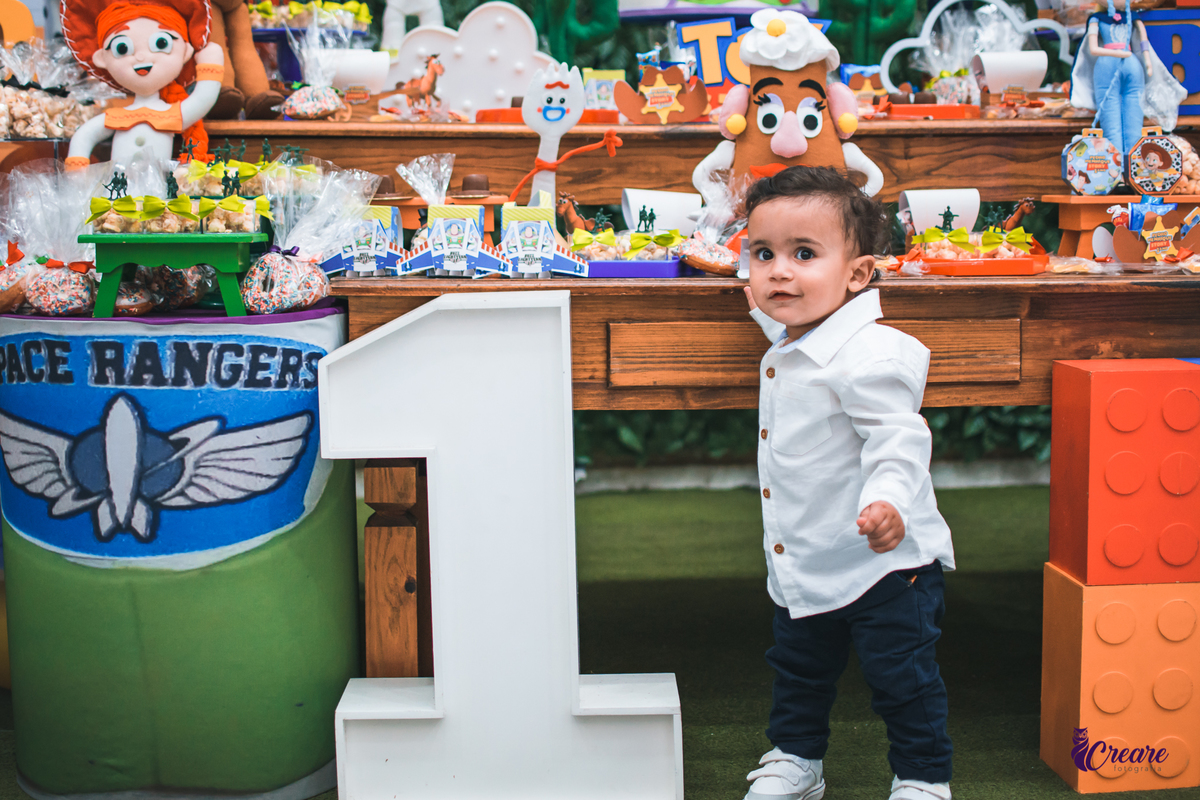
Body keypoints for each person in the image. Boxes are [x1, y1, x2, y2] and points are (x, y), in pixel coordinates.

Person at [741, 165, 956, 800]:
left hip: (886, 565)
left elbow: (898, 437)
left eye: (804, 254)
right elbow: (773, 299)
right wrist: (756, 272)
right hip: (808, 555)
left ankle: (922, 777)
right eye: (764, 255)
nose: (779, 271)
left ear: (858, 275)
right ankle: (797, 759)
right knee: (799, 669)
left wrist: (887, 501)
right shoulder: (794, 332)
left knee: (904, 678)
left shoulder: (868, 353)